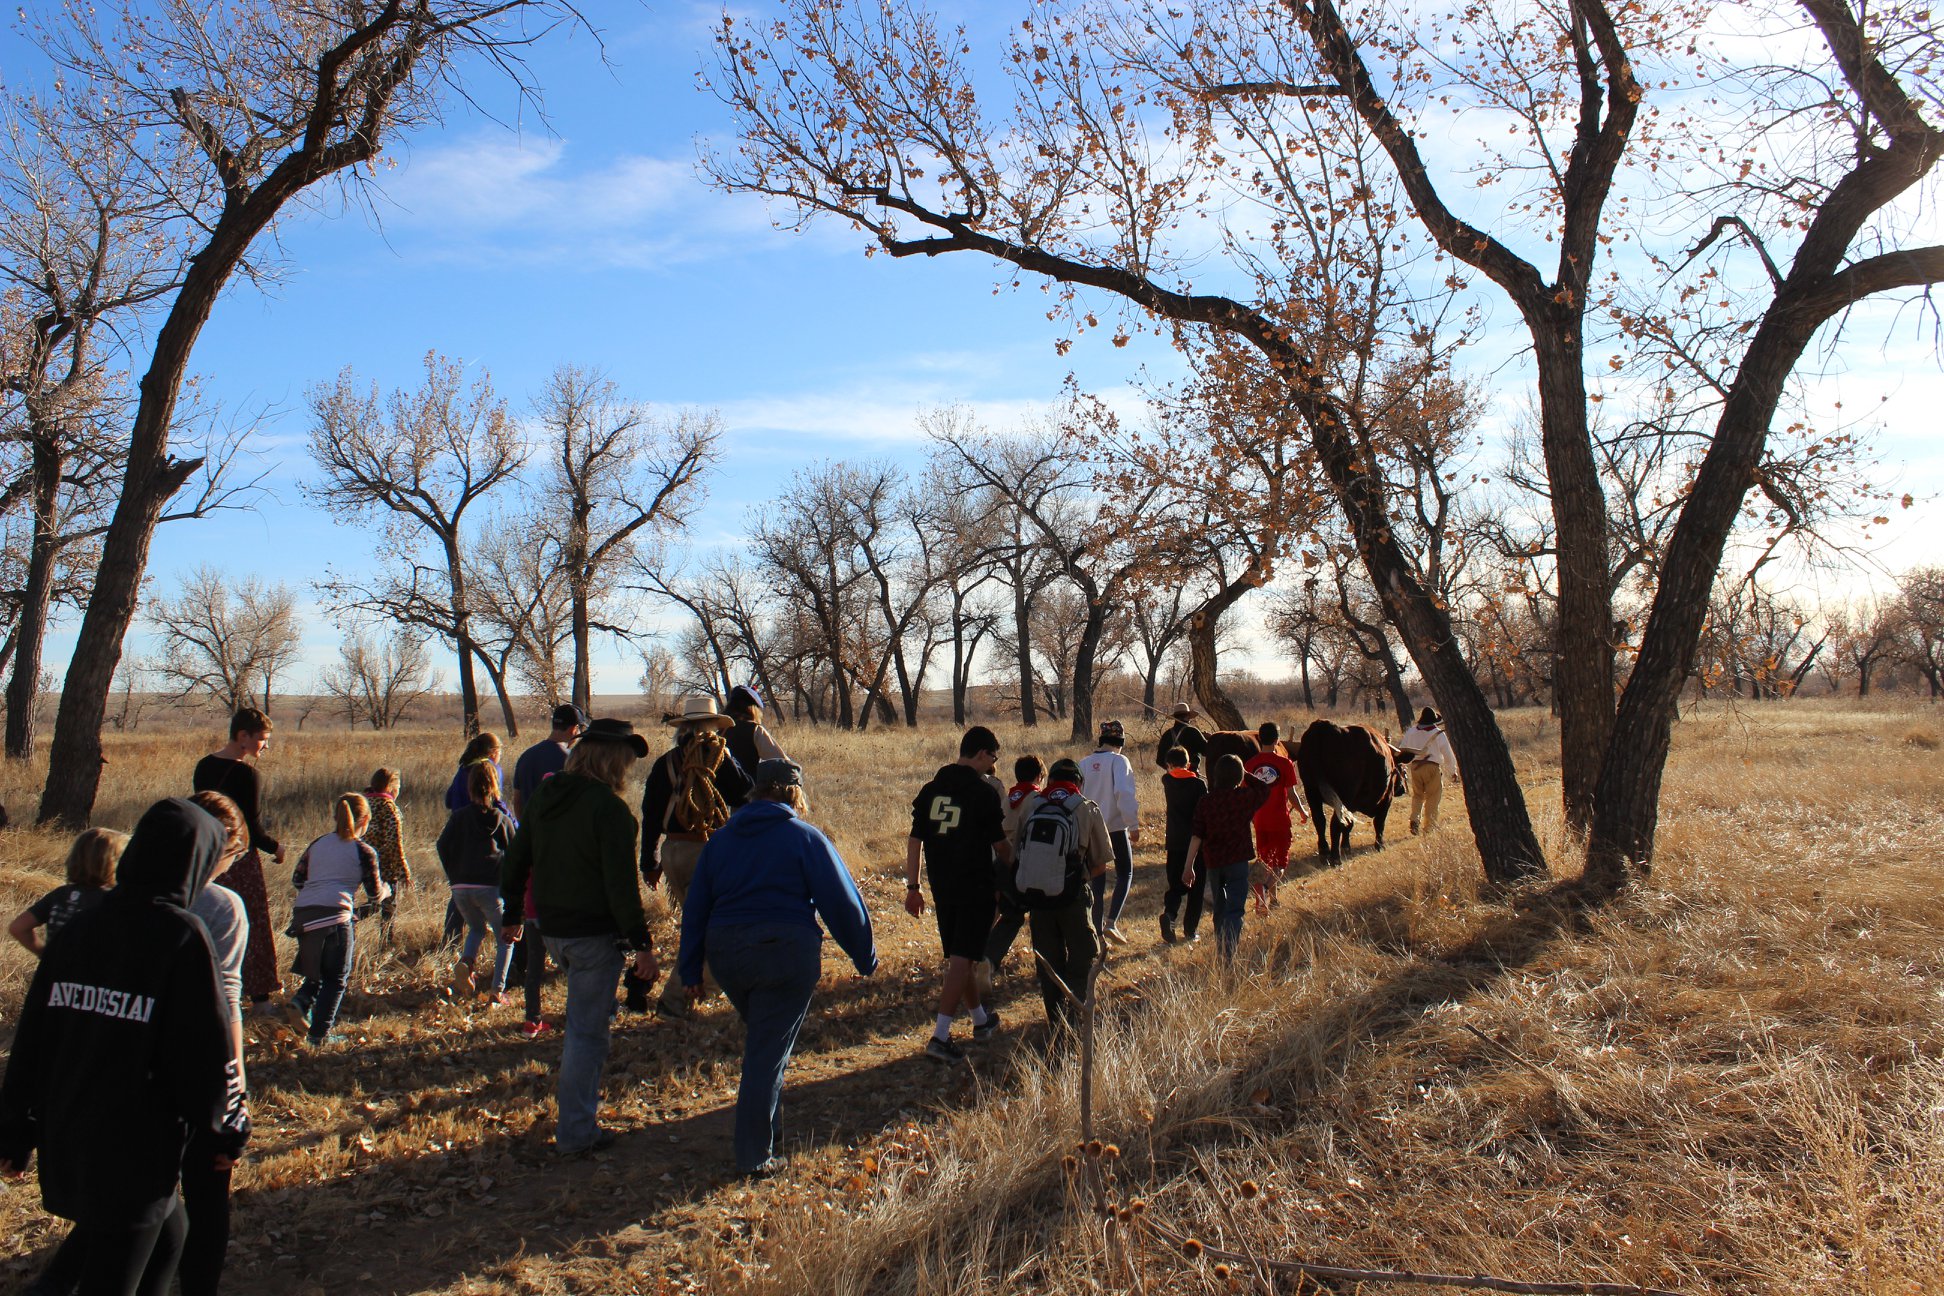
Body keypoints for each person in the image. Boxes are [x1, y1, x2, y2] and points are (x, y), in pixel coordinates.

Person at [0, 798, 249, 1296]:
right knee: (110, 1276)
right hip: (136, 1141)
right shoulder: (181, 933)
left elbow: (34, 1035)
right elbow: (204, 1045)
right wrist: (225, 1128)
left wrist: (16, 1126)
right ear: (194, 860)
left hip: (71, 1126)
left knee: (169, 1234)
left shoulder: (81, 927)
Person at [676, 759, 877, 1177]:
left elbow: (695, 909)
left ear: (755, 792)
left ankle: (767, 1125)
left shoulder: (721, 841)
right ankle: (754, 1155)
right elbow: (841, 902)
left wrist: (691, 970)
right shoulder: (805, 838)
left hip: (728, 954)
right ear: (793, 793)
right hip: (784, 952)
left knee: (767, 1041)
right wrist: (864, 955)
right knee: (766, 1052)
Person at [499, 718, 661, 1156]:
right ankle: (576, 1133)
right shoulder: (609, 812)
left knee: (586, 1025)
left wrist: (512, 914)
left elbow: (515, 860)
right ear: (613, 761)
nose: (627, 769)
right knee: (587, 1036)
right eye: (626, 760)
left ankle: (577, 1121)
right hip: (592, 934)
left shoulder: (545, 797)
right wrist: (641, 945)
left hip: (551, 930)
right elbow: (621, 887)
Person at [181, 791, 253, 1296]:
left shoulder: (122, 894)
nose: (232, 867)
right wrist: (236, 1093)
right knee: (207, 1199)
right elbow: (227, 1002)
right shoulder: (220, 906)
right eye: (235, 855)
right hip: (198, 1068)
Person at [905, 726, 1011, 1063]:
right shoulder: (983, 794)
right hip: (976, 885)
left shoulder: (930, 789)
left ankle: (980, 1020)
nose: (992, 763)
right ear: (982, 754)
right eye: (992, 757)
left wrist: (914, 886)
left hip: (941, 884)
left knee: (959, 957)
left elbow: (914, 841)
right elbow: (999, 844)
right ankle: (940, 1036)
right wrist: (1013, 861)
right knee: (964, 959)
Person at [640, 697, 751, 1019]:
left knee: (696, 924)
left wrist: (649, 860)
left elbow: (650, 814)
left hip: (674, 851)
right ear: (714, 726)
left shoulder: (666, 763)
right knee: (710, 928)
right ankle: (677, 999)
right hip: (709, 850)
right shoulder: (719, 757)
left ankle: (698, 987)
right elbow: (745, 791)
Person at [1005, 757, 1112, 1039]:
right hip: (1073, 898)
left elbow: (1016, 853)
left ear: (1050, 781)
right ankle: (1074, 1019)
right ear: (1078, 782)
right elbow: (1101, 863)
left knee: (1048, 962)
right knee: (1082, 957)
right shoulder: (1087, 808)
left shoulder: (1032, 804)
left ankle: (1055, 1020)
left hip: (1037, 899)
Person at [192, 708, 284, 1010]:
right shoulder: (247, 774)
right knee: (252, 924)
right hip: (239, 859)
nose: (265, 746)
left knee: (208, 923)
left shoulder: (203, 766)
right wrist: (276, 848)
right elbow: (251, 829)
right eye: (262, 739)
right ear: (243, 736)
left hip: (205, 858)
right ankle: (260, 998)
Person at [286, 793, 389, 1046]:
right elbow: (375, 894)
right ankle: (319, 1036)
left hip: (304, 913)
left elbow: (298, 880)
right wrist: (386, 891)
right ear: (365, 820)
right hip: (336, 915)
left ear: (335, 816)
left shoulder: (317, 844)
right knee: (337, 978)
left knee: (317, 971)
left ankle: (300, 1002)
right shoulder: (364, 851)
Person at [438, 761, 520, 1003]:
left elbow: (442, 845)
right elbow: (516, 854)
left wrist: (454, 875)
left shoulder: (459, 818)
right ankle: (497, 991)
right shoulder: (501, 819)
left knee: (475, 928)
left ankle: (466, 962)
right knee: (505, 939)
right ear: (495, 786)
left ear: (470, 786)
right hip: (491, 887)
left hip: (461, 888)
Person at [1181, 754, 1275, 960]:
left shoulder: (1205, 802)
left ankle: (1220, 948)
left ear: (1215, 776)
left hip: (1214, 862)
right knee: (1235, 910)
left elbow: (1197, 835)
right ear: (1239, 777)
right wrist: (1246, 775)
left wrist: (1189, 866)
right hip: (1238, 861)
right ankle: (1229, 953)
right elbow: (1264, 789)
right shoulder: (1244, 797)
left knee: (1220, 909)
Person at [977, 754, 1044, 993]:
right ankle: (1043, 965)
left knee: (1009, 914)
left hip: (999, 864)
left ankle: (982, 958)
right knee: (1038, 914)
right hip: (1024, 865)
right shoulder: (1037, 798)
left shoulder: (1008, 799)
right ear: (1039, 775)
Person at [8, 827, 125, 956]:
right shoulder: (115, 900)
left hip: (56, 973)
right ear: (113, 863)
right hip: (96, 974)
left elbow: (18, 927)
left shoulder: (60, 895)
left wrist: (46, 956)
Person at [1078, 719, 1139, 943]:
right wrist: (1133, 825)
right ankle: (1111, 922)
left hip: (1091, 829)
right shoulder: (1119, 761)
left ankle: (1096, 931)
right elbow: (1124, 793)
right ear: (1120, 740)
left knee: (1097, 879)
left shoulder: (1084, 763)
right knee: (1126, 872)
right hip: (1115, 827)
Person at [1242, 722, 1304, 913]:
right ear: (1277, 740)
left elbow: (1246, 796)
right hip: (1279, 820)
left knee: (1267, 860)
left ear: (1259, 739)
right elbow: (1291, 794)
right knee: (1281, 863)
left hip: (1260, 821)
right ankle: (1264, 890)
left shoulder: (1249, 765)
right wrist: (1302, 811)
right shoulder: (1285, 763)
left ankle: (1273, 900)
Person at [1157, 747, 1208, 945]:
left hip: (1175, 842)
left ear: (1168, 766)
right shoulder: (1198, 785)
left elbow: (1172, 773)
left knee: (1176, 884)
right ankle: (1190, 930)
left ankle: (1170, 914)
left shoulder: (1167, 781)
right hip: (1196, 841)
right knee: (1197, 888)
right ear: (1188, 764)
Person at [362, 769, 412, 945]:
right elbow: (394, 844)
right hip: (385, 866)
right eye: (398, 787)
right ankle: (386, 943)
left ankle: (347, 917)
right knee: (387, 906)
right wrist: (404, 872)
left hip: (361, 862)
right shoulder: (389, 808)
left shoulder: (363, 803)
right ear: (391, 788)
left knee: (374, 903)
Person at [511, 704, 585, 820]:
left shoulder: (526, 756)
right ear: (574, 729)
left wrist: (525, 832)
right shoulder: (571, 760)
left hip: (530, 833)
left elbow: (517, 801)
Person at [1394, 707, 1456, 834]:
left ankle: (1415, 819)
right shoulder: (1439, 733)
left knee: (1417, 796)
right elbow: (1448, 754)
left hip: (1415, 767)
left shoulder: (1411, 731)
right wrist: (1452, 771)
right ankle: (1430, 827)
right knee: (1433, 797)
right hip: (1432, 767)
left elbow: (1402, 750)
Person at [723, 685, 788, 786]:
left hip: (717, 795)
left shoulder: (717, 730)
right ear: (753, 709)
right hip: (748, 794)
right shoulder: (754, 729)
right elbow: (781, 761)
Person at [446, 732, 508, 813]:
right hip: (484, 822)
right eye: (500, 753)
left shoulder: (463, 768)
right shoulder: (492, 769)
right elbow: (496, 802)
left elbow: (448, 801)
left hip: (459, 822)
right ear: (494, 752)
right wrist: (513, 823)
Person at [1154, 701, 1207, 774]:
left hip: (1171, 780)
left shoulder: (1167, 734)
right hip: (1191, 777)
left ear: (1175, 717)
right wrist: (1210, 738)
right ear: (1188, 716)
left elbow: (1159, 760)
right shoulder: (1193, 732)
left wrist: (1173, 770)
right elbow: (1206, 751)